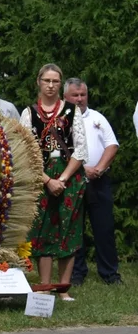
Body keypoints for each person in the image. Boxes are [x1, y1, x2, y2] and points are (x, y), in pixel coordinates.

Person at [21, 64, 87, 302]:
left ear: (61, 84)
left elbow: (81, 149)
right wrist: (47, 180)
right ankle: (45, 287)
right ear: (39, 82)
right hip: (41, 177)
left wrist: (63, 178)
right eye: (47, 81)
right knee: (43, 231)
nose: (51, 85)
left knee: (68, 231)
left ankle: (63, 289)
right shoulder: (28, 113)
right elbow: (26, 153)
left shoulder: (72, 110)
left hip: (69, 176)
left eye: (55, 81)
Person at [63, 78, 121, 286]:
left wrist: (99, 167)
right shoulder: (61, 120)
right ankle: (77, 274)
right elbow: (60, 151)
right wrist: (81, 168)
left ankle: (110, 274)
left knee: (104, 228)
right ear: (65, 97)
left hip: (99, 181)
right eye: (75, 95)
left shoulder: (97, 117)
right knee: (75, 230)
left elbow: (112, 144)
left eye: (83, 95)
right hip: (73, 180)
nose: (79, 99)